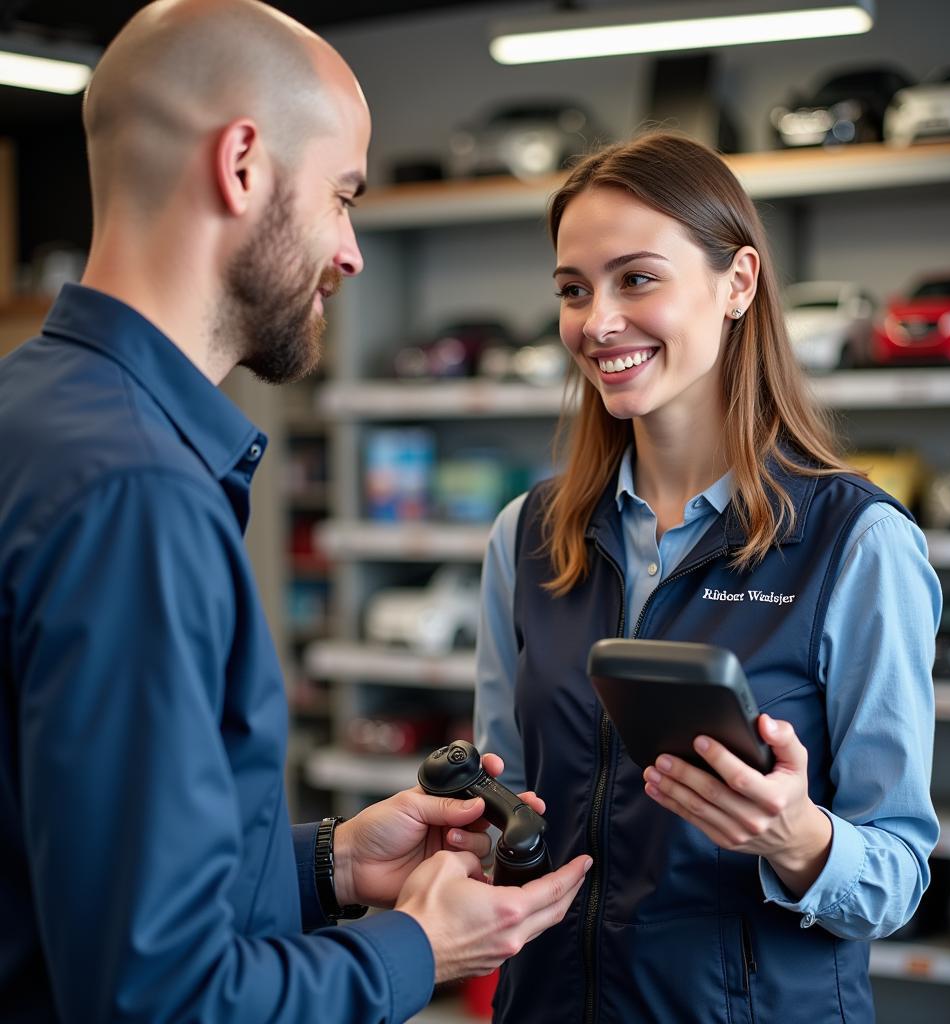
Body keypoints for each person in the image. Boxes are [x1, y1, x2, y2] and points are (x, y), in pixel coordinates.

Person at [0, 2, 591, 1022]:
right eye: (343, 196)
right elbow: (164, 999)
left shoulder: (32, 415)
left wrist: (324, 865)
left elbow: (70, 869)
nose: (351, 251)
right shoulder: (137, 497)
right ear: (241, 165)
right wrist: (418, 945)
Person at [474, 131, 941, 1024]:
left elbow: (899, 877)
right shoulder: (527, 538)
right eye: (574, 290)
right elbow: (510, 809)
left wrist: (798, 840)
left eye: (637, 278)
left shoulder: (858, 543)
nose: (597, 321)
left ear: (738, 284)